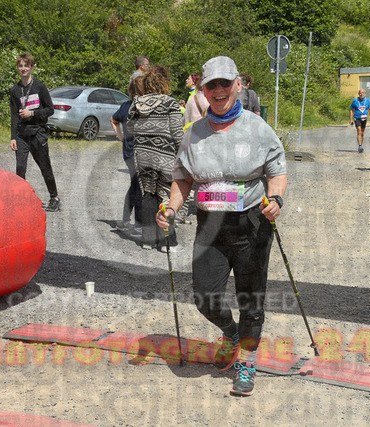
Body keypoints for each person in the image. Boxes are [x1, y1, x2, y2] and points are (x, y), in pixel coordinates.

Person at [156, 56, 287, 396]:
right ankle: (231, 332)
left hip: (252, 222)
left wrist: (275, 199)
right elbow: (183, 178)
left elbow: (277, 169)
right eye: (211, 85)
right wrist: (171, 208)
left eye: (224, 83)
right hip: (210, 225)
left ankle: (246, 361)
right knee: (204, 295)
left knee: (250, 298)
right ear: (202, 90)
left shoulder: (258, 128)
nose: (218, 90)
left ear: (238, 85)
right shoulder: (193, 133)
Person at [127, 65, 184, 251]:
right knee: (165, 195)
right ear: (164, 82)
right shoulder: (170, 103)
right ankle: (168, 242)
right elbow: (177, 134)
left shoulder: (136, 103)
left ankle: (148, 240)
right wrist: (181, 155)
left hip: (142, 155)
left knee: (148, 194)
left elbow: (129, 128)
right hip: (165, 155)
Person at [10, 52, 60, 211]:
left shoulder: (39, 86)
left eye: (26, 66)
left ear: (32, 67)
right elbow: (14, 115)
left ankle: (54, 198)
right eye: (20, 66)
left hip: (38, 133)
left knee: (45, 167)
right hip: (22, 135)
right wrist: (13, 137)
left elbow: (50, 109)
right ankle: (20, 199)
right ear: (17, 68)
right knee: (20, 168)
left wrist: (32, 113)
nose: (23, 69)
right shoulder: (15, 90)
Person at [110, 77, 144, 238]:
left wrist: (121, 137)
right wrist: (121, 137)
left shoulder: (126, 105)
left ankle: (125, 220)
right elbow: (114, 120)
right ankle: (138, 225)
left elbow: (113, 119)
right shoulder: (139, 107)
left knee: (135, 185)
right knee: (139, 187)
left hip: (130, 152)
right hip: (135, 152)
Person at [349, 89, 370, 153]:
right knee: (359, 131)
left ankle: (361, 145)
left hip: (364, 118)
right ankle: (360, 146)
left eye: (363, 93)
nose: (361, 94)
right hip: (357, 117)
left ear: (365, 93)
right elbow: (351, 110)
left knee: (362, 132)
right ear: (358, 93)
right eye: (360, 93)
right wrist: (351, 120)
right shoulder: (355, 100)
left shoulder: (367, 100)